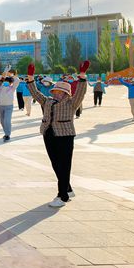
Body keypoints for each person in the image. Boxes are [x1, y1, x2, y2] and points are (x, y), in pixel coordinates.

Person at [25, 62, 88, 208]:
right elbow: (36, 94)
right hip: (48, 134)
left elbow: (81, 92)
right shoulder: (47, 101)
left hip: (65, 135)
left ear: (66, 94)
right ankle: (68, 188)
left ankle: (62, 196)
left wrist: (82, 76)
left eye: (60, 92)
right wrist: (30, 78)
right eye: (55, 91)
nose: (57, 94)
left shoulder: (72, 103)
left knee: (64, 165)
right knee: (55, 164)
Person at [0, 75, 17, 141]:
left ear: (10, 82)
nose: (6, 82)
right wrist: (3, 75)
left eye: (7, 81)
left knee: (7, 120)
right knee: (2, 121)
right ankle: (6, 132)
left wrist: (11, 75)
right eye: (5, 81)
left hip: (8, 106)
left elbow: (17, 80)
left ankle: (7, 135)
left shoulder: (12, 88)